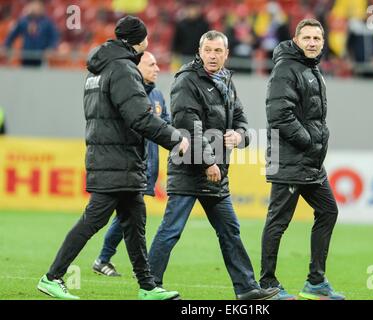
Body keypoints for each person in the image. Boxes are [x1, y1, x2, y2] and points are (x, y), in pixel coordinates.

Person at [36, 16, 189, 300]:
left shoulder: (97, 69)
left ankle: (147, 287)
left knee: (135, 224)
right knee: (93, 220)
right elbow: (140, 117)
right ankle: (52, 277)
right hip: (116, 159)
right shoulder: (122, 69)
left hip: (114, 158)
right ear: (138, 40)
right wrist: (175, 138)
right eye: (146, 38)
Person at [147, 30, 280, 300]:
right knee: (171, 230)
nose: (212, 55)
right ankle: (148, 286)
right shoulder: (187, 80)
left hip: (217, 172)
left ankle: (246, 289)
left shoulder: (226, 80)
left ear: (226, 54)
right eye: (208, 50)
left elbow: (241, 118)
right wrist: (208, 161)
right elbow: (186, 127)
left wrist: (240, 135)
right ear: (199, 51)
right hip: (189, 168)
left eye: (218, 51)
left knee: (230, 230)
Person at [261, 18, 345, 300]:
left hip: (308, 162)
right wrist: (308, 141)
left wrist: (313, 145)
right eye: (307, 38)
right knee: (278, 221)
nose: (312, 43)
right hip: (290, 159)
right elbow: (278, 115)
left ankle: (316, 282)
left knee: (329, 211)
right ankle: (267, 284)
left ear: (323, 42)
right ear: (296, 41)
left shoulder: (312, 69)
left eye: (317, 39)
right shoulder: (286, 68)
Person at [92, 51, 171, 277]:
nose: (157, 68)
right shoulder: (128, 93)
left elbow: (166, 126)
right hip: (129, 167)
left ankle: (108, 259)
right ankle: (110, 260)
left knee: (127, 217)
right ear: (137, 68)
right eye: (151, 64)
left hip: (147, 170)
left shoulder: (156, 95)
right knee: (126, 217)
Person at [3, 0, 59, 67]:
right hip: (26, 55)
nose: (36, 8)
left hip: (41, 56)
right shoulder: (23, 21)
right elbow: (12, 35)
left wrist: (51, 48)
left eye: (38, 6)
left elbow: (54, 37)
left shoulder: (47, 23)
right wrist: (6, 45)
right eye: (34, 5)